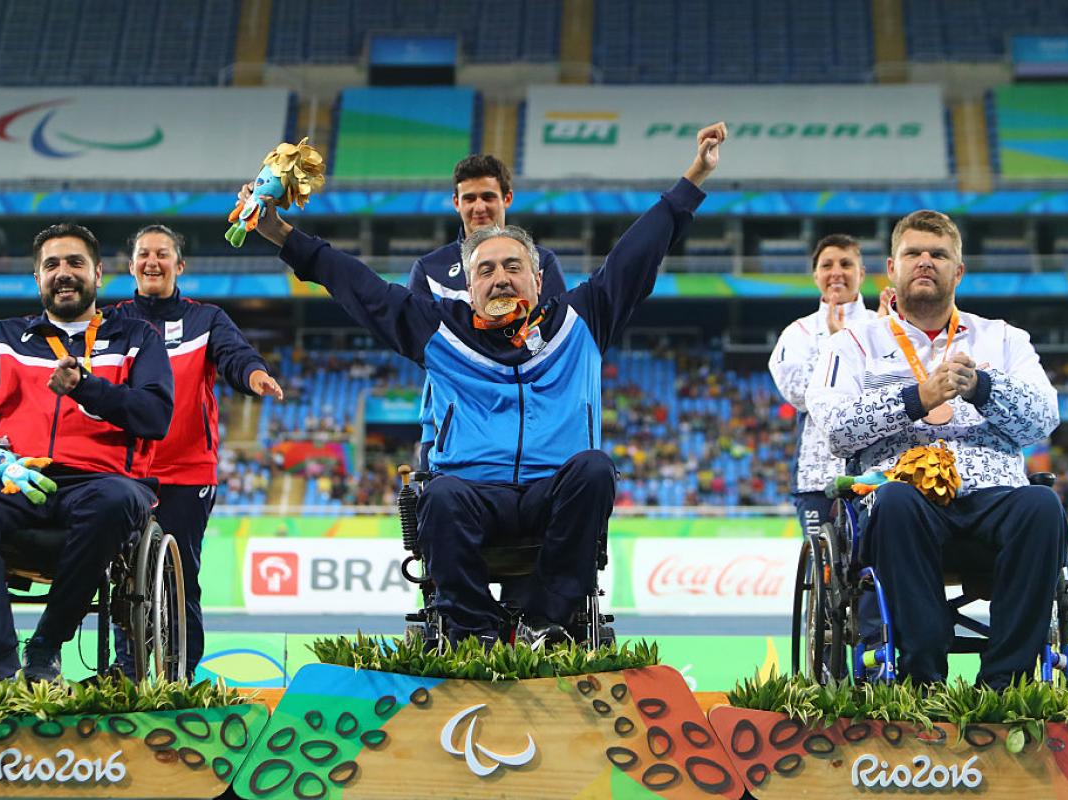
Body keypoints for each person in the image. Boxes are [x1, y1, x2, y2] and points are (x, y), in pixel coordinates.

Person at [242, 123, 727, 645]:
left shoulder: (582, 319)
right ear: (467, 287)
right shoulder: (438, 329)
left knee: (594, 469)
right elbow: (352, 281)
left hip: (552, 489)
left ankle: (544, 621)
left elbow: (641, 249)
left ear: (539, 278)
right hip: (473, 490)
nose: (500, 278)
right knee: (440, 496)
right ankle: (476, 632)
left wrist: (694, 177)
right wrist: (279, 233)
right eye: (486, 270)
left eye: (514, 267)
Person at [806, 210, 1065, 689]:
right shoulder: (851, 345)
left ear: (958, 271)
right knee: (897, 502)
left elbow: (1045, 417)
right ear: (892, 267)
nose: (926, 262)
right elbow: (836, 429)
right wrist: (915, 399)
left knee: (1043, 506)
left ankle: (1005, 685)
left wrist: (984, 388)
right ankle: (923, 679)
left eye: (939, 254)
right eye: (913, 253)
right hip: (901, 494)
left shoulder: (1004, 339)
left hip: (994, 494)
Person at [0, 223, 174, 681]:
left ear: (98, 273)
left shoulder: (138, 339)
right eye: (52, 265)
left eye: (75, 263)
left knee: (116, 501)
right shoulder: (4, 339)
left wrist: (88, 388)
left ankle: (45, 646)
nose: (64, 273)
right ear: (36, 278)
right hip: (17, 481)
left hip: (103, 485)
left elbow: (155, 417)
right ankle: (0, 666)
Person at [112, 223, 282, 679]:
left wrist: (253, 375)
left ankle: (181, 674)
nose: (152, 261)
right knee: (120, 579)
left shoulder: (205, 319)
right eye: (144, 253)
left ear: (179, 266)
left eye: (162, 254)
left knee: (179, 577)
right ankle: (126, 671)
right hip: (124, 473)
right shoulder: (111, 322)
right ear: (130, 267)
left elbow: (235, 355)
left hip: (187, 472)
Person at [408, 154, 567, 470]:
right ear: (456, 202)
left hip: (533, 427)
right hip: (451, 430)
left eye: (488, 197)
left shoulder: (540, 263)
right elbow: (421, 348)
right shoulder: (429, 271)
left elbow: (553, 337)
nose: (478, 207)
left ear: (506, 198)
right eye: (469, 198)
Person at [769, 234, 886, 538]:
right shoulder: (797, 333)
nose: (837, 272)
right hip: (816, 476)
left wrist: (886, 333)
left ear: (861, 274)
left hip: (878, 471)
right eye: (827, 265)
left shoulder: (884, 326)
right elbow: (798, 394)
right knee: (822, 567)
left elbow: (894, 389)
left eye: (846, 264)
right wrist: (839, 345)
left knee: (876, 564)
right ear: (816, 275)